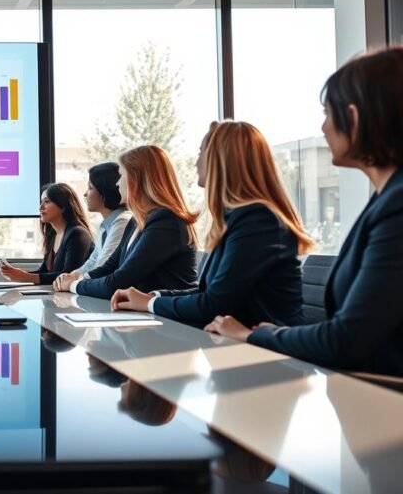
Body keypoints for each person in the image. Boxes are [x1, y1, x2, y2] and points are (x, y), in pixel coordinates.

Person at [206, 47, 403, 376]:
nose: (323, 127)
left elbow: (345, 340)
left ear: (353, 118)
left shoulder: (396, 205)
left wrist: (254, 334)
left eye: (328, 113)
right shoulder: (386, 199)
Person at [110, 121, 312, 328]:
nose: (195, 163)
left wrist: (150, 303)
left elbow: (213, 304)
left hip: (266, 350)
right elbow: (208, 292)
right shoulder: (238, 219)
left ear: (220, 160)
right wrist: (154, 295)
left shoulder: (258, 220)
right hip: (230, 341)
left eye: (200, 153)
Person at [53, 145, 197, 298]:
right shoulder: (136, 221)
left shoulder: (166, 221)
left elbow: (118, 281)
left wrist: (74, 285)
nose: (117, 183)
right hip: (142, 314)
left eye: (121, 176)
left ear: (136, 179)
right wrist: (77, 278)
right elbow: (109, 267)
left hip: (166, 318)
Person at [0, 183, 94, 284]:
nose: (40, 207)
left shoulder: (78, 234)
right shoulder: (52, 235)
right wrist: (18, 274)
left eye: (47, 202)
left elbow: (68, 276)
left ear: (63, 206)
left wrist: (26, 276)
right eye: (41, 202)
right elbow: (44, 272)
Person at [64, 162, 133, 280]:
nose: (85, 194)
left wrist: (73, 282)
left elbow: (102, 266)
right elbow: (92, 261)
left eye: (90, 187)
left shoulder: (122, 222)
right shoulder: (105, 225)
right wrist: (70, 276)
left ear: (104, 192)